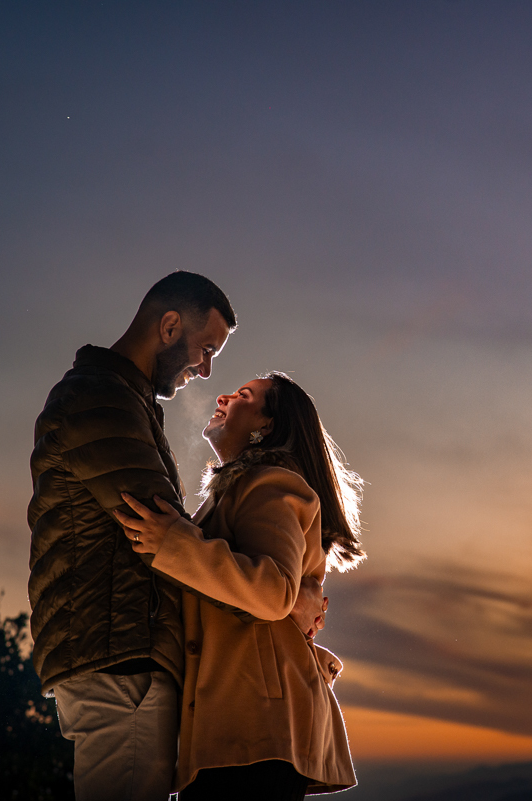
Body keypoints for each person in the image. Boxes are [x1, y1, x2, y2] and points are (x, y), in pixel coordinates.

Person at [27, 273, 328, 801]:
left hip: (125, 654)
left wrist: (284, 601)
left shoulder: (126, 403)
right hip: (122, 657)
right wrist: (286, 603)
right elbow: (157, 526)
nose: (208, 370)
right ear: (169, 326)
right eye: (205, 348)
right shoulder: (103, 399)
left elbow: (179, 543)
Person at [115, 372, 365, 799]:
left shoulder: (272, 482)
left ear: (266, 426)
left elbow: (271, 592)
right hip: (238, 731)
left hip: (256, 731)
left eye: (244, 395)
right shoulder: (240, 489)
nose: (224, 395)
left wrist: (173, 541)